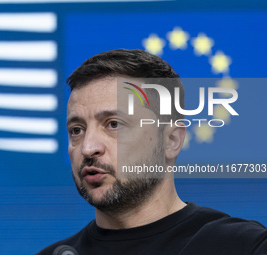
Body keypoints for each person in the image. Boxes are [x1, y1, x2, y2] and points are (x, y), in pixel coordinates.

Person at [36, 49, 267, 255]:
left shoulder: (245, 246)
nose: (88, 147)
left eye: (114, 124)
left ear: (171, 140)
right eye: (76, 130)